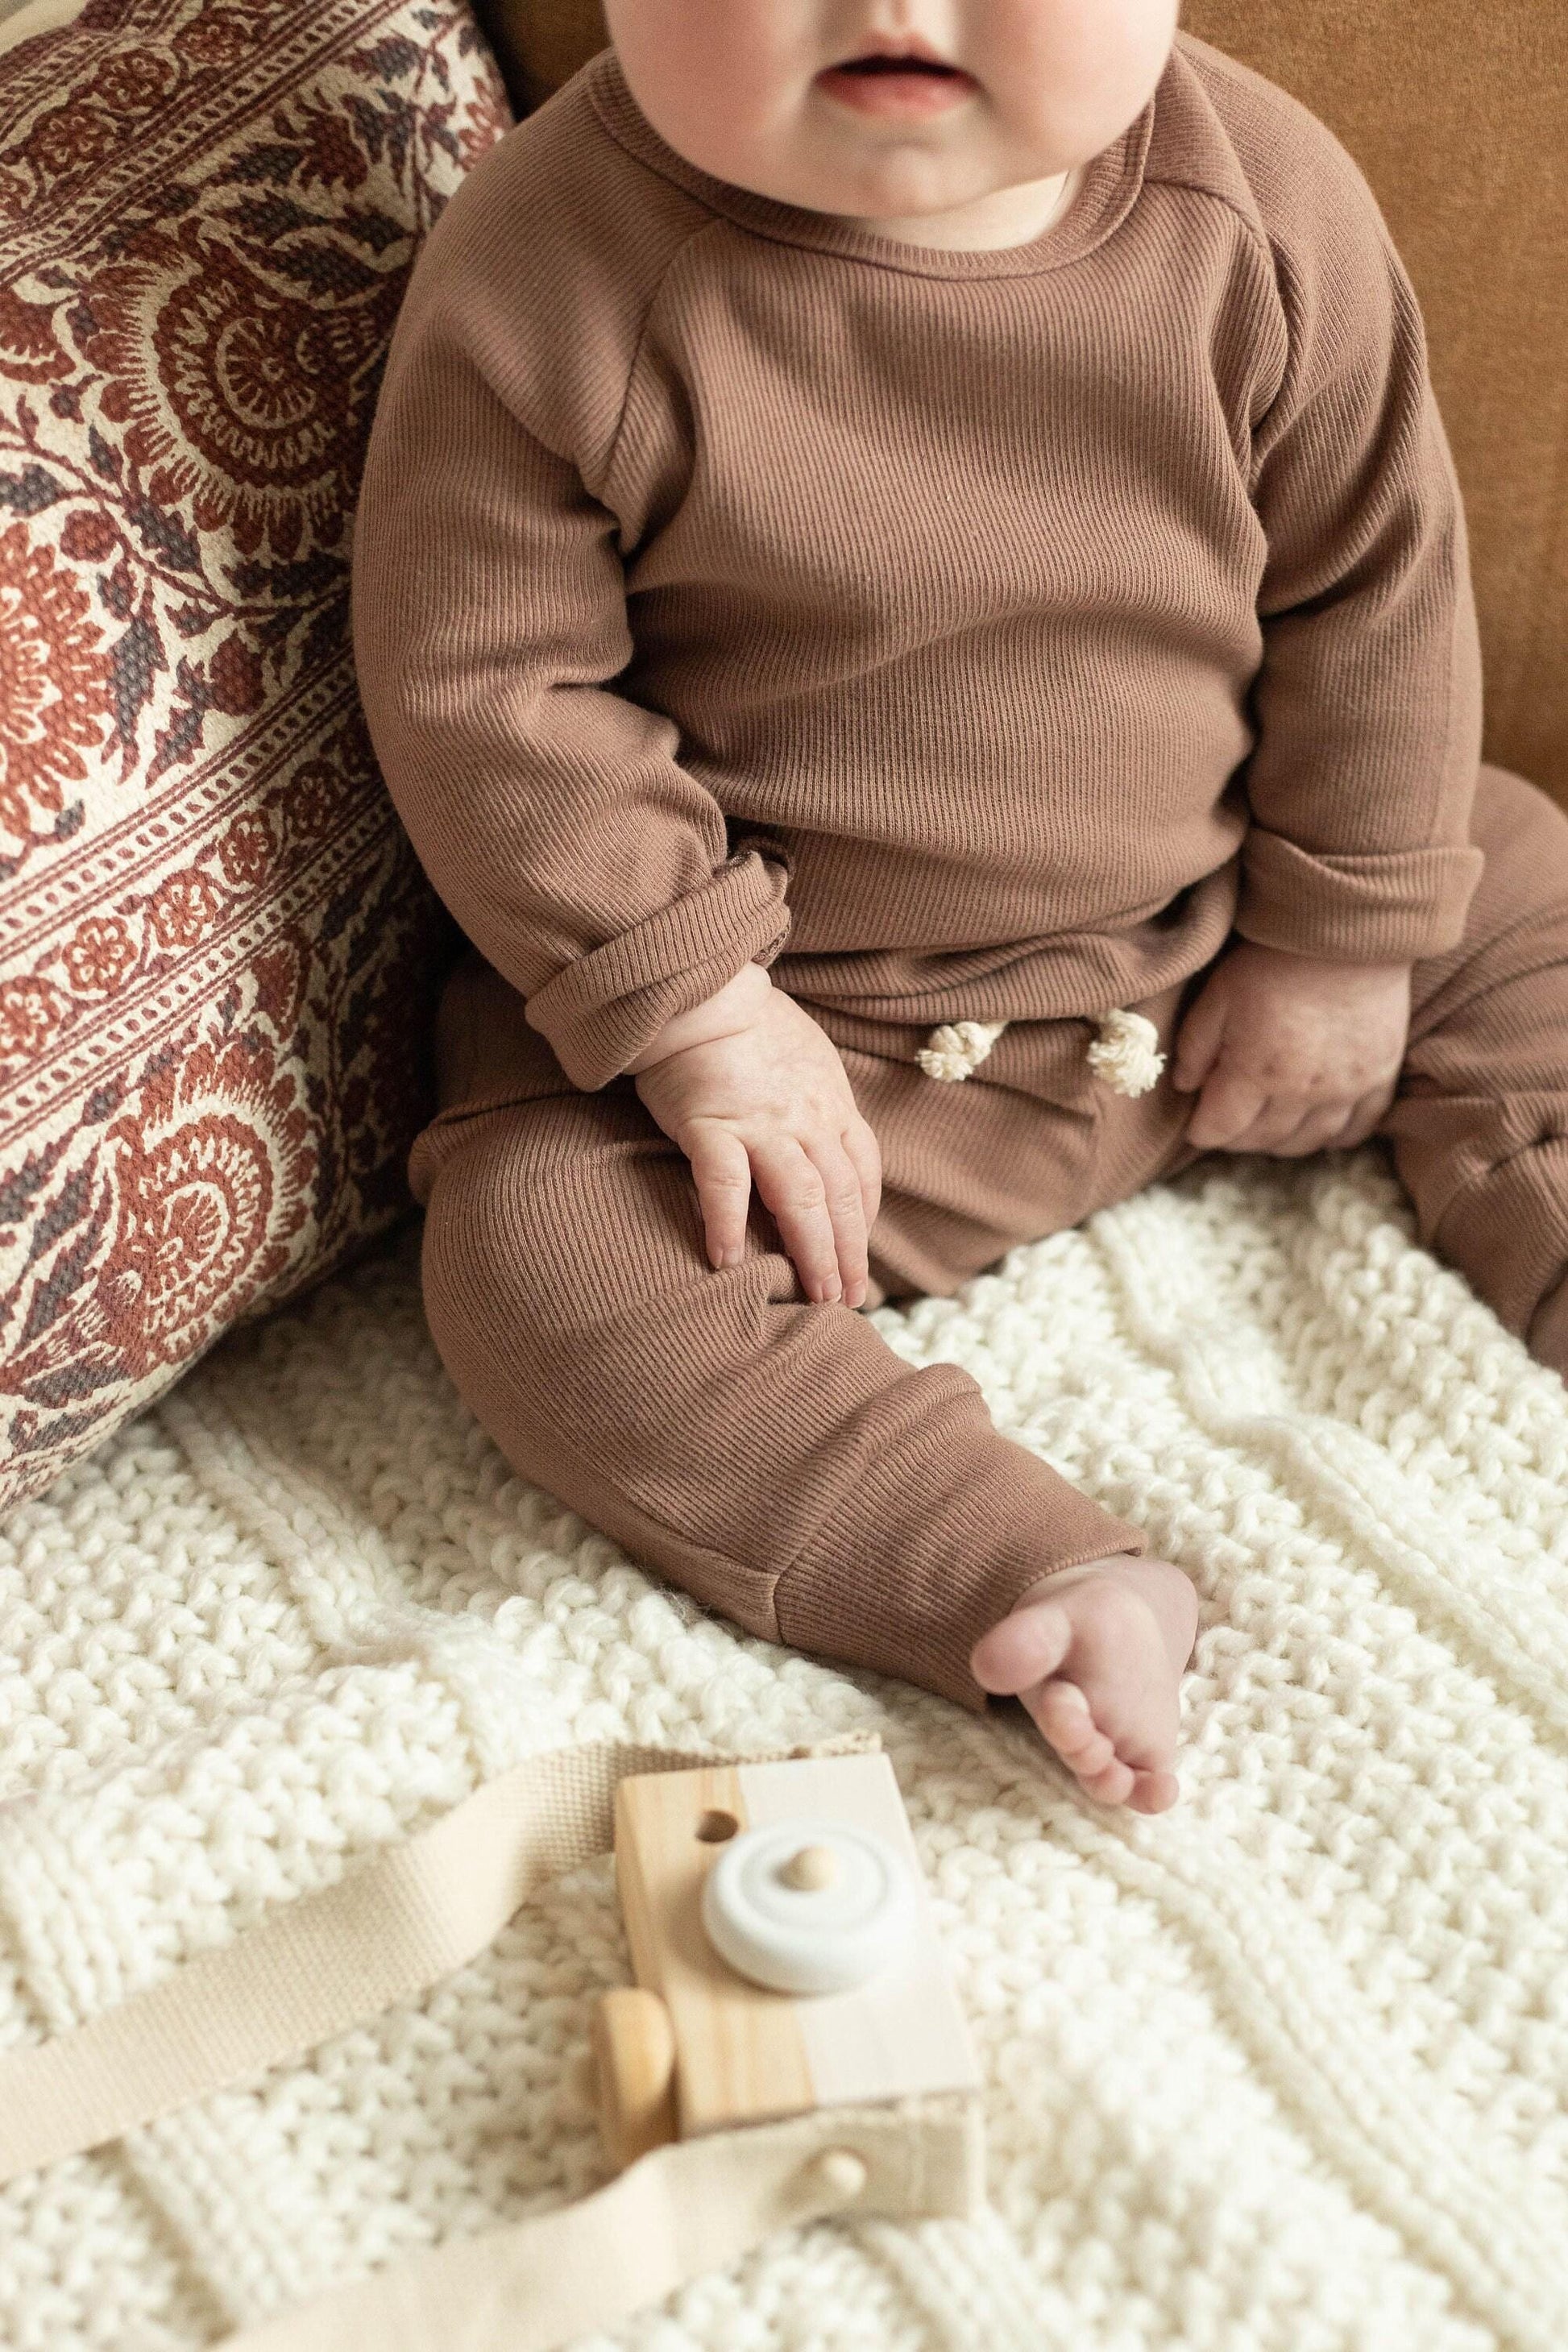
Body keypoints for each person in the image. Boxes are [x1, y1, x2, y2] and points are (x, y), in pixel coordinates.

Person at [350, 1, 1568, 1815]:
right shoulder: (558, 268)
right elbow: (487, 687)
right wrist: (698, 1011)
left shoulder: (1261, 208)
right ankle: (1022, 1570)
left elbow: (1378, 586)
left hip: (1221, 926)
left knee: (1519, 869)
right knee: (538, 1249)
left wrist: (1344, 934)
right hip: (816, 1067)